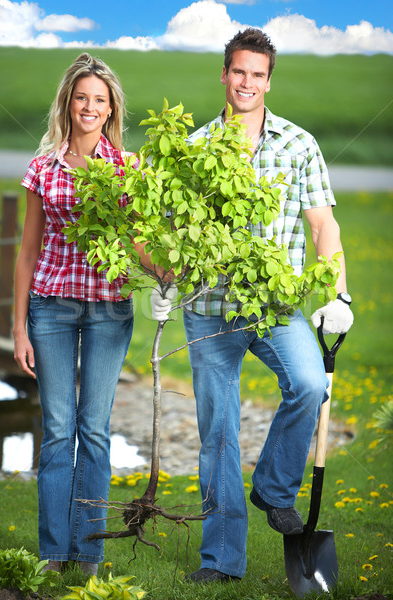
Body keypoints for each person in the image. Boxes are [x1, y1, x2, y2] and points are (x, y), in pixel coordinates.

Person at [151, 28, 353, 583]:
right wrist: (162, 279)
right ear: (224, 73)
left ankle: (272, 488)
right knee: (217, 430)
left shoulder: (298, 144)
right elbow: (169, 231)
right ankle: (221, 563)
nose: (247, 82)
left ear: (269, 79)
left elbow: (322, 225)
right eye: (238, 71)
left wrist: (337, 293)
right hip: (210, 307)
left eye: (257, 74)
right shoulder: (193, 149)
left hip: (275, 306)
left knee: (310, 384)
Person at [13, 53, 156, 575]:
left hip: (108, 310)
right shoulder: (44, 166)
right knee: (57, 429)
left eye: (100, 99)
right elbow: (27, 252)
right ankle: (54, 553)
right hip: (50, 308)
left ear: (111, 107)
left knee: (94, 429)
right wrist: (17, 327)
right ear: (68, 104)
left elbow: (141, 240)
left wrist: (165, 275)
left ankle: (89, 552)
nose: (90, 107)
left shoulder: (128, 169)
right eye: (82, 98)